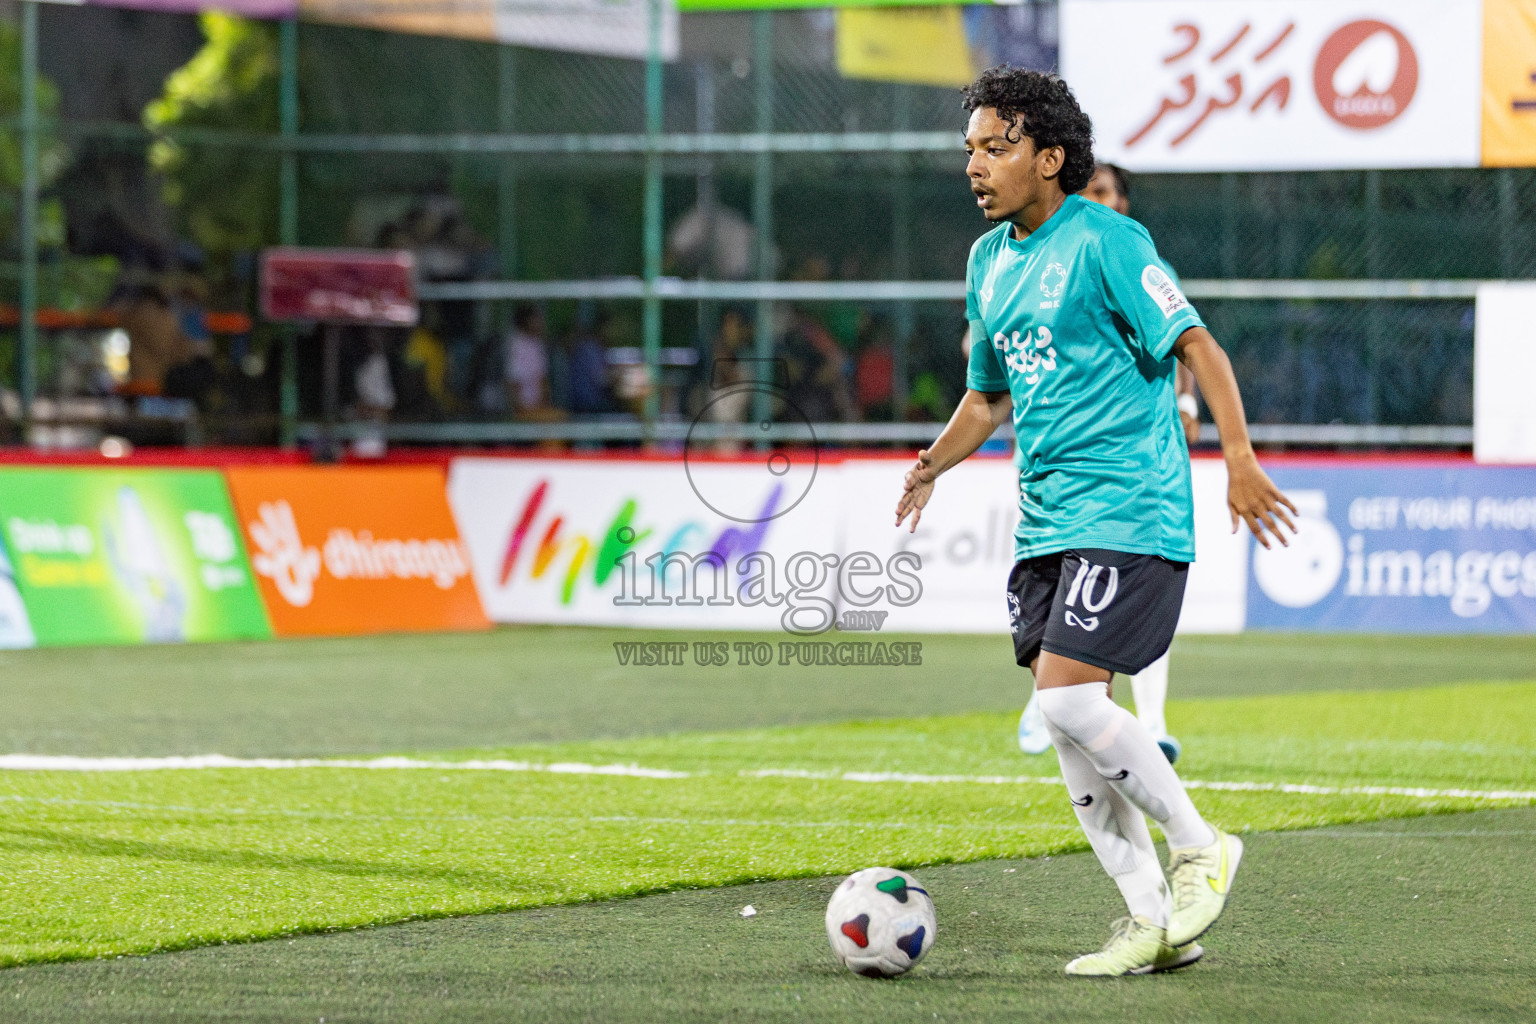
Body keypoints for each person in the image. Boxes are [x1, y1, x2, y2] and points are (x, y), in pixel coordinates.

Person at [894, 67, 1295, 977]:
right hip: (1046, 524)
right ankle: (1152, 922)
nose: (976, 166)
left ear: (1050, 157)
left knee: (1071, 700)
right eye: (969, 149)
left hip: (1130, 507)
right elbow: (987, 397)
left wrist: (1237, 459)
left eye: (995, 148)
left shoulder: (1109, 240)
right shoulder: (987, 263)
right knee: (1066, 719)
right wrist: (931, 463)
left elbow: (1197, 343)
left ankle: (1201, 846)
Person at [1016, 161, 1200, 764]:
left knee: (1127, 589)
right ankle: (1055, 698)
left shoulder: (1131, 254)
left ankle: (1148, 721)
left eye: (1106, 192)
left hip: (1129, 466)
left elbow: (1183, 339)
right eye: (1089, 190)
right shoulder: (1019, 256)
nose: (1097, 200)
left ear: (1122, 202)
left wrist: (1188, 399)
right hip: (1055, 454)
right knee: (1060, 588)